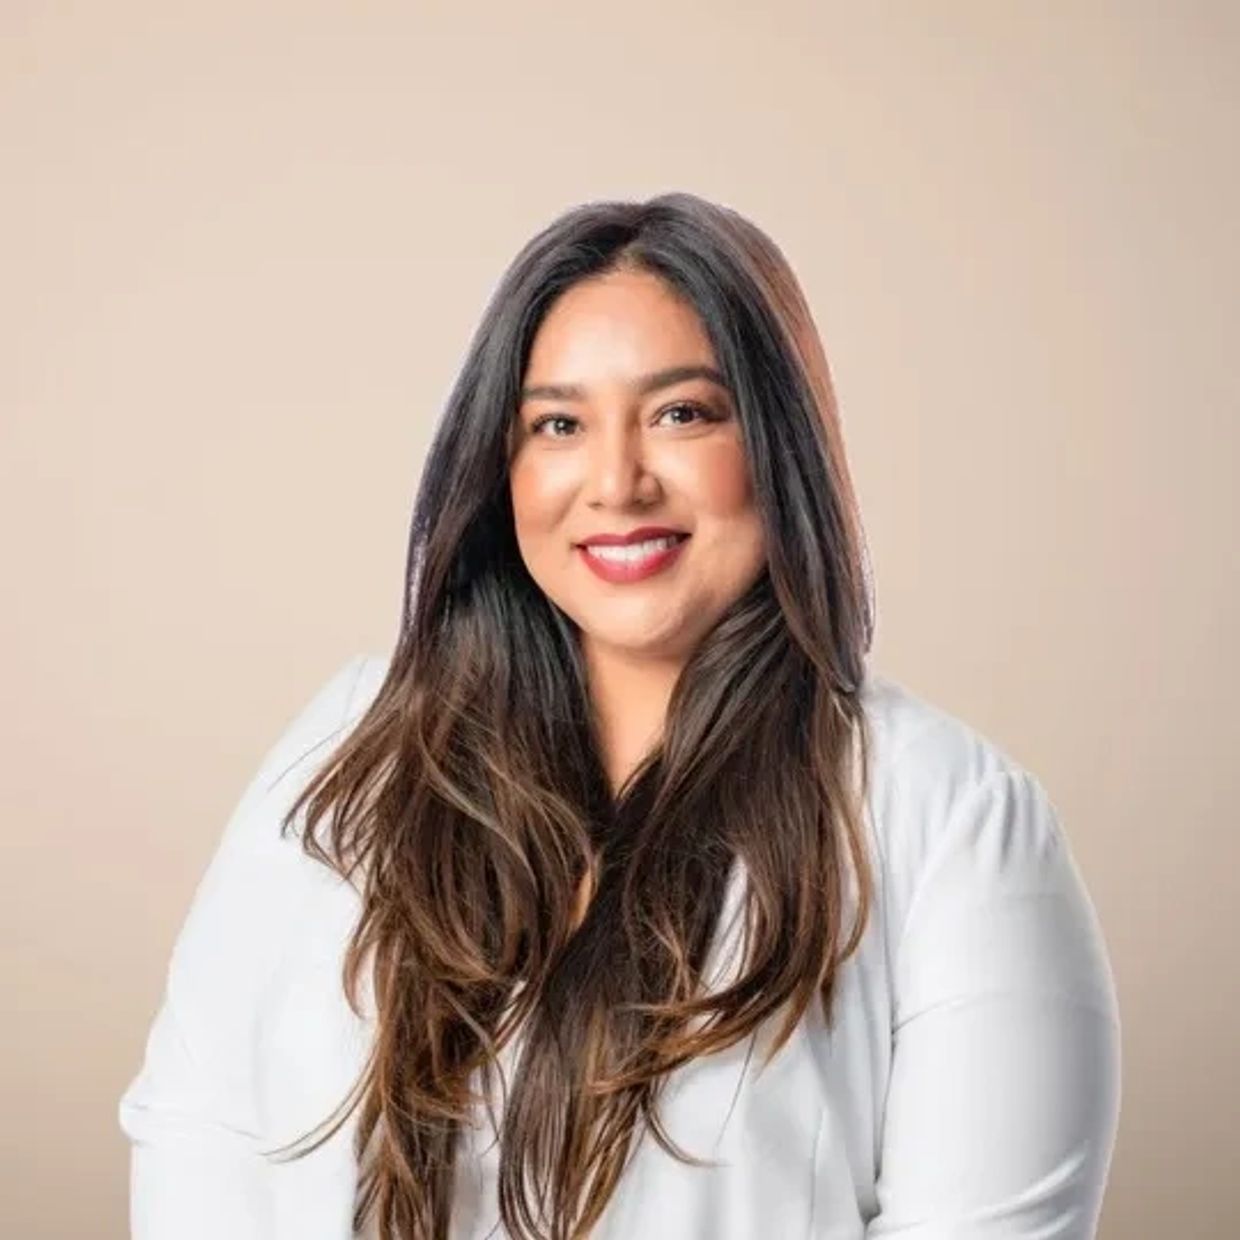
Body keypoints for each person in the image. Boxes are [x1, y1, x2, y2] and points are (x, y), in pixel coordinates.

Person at [118, 192, 1121, 1239]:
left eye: (681, 412)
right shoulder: (350, 751)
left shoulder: (954, 821)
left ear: (778, 442)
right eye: (558, 423)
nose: (615, 481)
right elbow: (201, 1141)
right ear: (498, 466)